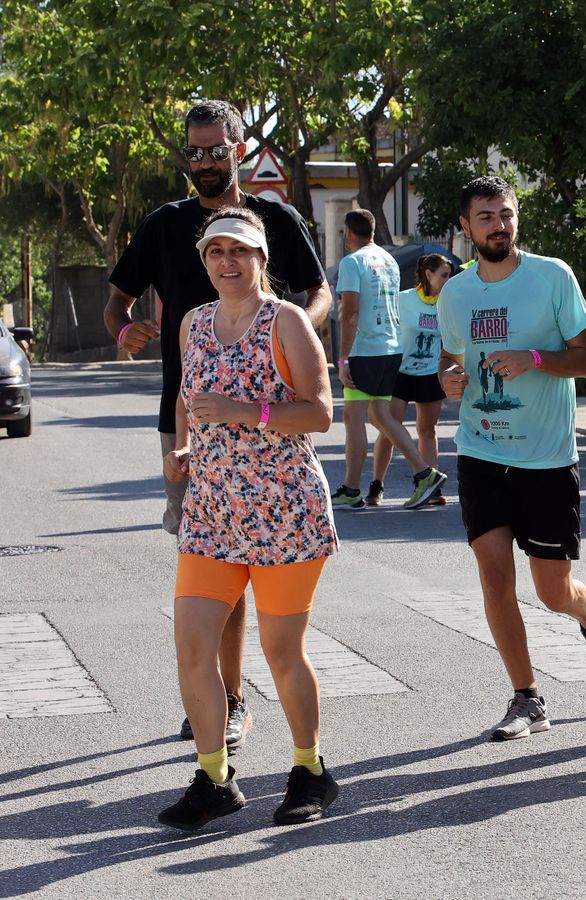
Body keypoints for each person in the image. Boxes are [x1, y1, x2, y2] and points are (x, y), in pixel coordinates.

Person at [105, 99, 331, 750]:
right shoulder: (164, 224)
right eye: (194, 152)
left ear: (239, 148)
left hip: (270, 425)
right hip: (188, 425)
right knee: (209, 562)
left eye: (216, 150)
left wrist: (289, 337)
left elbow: (315, 292)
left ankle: (264, 721)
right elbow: (116, 300)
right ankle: (228, 699)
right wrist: (125, 330)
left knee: (261, 571)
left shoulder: (274, 219)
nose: (205, 162)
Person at [158, 208, 339, 829]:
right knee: (191, 645)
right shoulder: (192, 323)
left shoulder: (285, 322)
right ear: (204, 261)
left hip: (284, 510)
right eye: (216, 253)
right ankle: (214, 778)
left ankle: (310, 769)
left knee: (281, 650)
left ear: (262, 259)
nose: (227, 263)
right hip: (212, 512)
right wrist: (182, 453)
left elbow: (319, 413)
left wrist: (242, 409)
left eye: (240, 251)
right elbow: (187, 398)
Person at [436, 176, 586, 740]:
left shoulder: (552, 277)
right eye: (486, 216)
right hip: (479, 450)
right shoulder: (457, 293)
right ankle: (527, 698)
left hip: (545, 457)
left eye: (506, 213)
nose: (499, 224)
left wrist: (535, 357)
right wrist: (448, 377)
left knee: (551, 590)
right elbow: (451, 357)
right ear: (467, 228)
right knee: (495, 579)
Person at [330, 210, 447, 510]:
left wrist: (342, 359)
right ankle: (424, 473)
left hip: (365, 349)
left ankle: (352, 488)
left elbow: (351, 313)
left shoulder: (352, 262)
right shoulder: (389, 260)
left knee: (354, 418)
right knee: (381, 416)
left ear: (347, 233)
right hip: (391, 349)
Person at [370, 253, 452, 507]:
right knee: (388, 428)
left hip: (430, 373)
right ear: (428, 275)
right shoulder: (403, 299)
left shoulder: (447, 303)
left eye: (450, 276)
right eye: (444, 276)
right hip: (400, 372)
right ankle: (377, 484)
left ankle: (431, 485)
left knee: (427, 429)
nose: (448, 281)